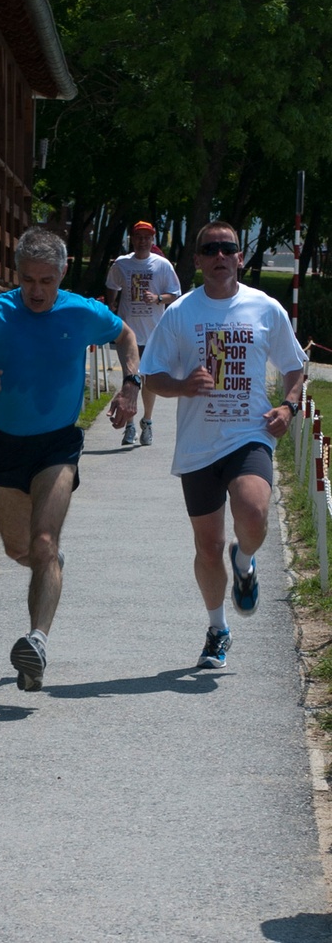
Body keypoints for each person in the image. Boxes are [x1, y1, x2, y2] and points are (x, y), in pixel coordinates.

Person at [0, 226, 141, 692]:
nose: (37, 291)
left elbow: (125, 334)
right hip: (6, 443)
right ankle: (50, 566)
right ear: (17, 274)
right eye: (28, 280)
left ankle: (37, 643)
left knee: (43, 541)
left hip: (58, 445)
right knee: (18, 549)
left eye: (47, 281)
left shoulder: (82, 312)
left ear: (62, 274)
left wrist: (131, 383)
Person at [141, 221, 306, 670]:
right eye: (209, 249)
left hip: (248, 434)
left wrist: (288, 407)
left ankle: (247, 559)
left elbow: (295, 367)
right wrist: (181, 386)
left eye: (227, 249)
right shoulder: (180, 313)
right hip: (198, 445)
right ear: (196, 260)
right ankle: (217, 629)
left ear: (238, 257)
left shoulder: (264, 308)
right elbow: (149, 373)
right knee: (208, 547)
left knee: (253, 514)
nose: (219, 256)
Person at [106, 220, 182, 447]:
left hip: (153, 334)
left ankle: (147, 421)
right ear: (132, 238)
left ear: (153, 239)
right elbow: (112, 285)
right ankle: (129, 427)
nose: (142, 241)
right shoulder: (122, 264)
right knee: (130, 378)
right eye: (138, 237)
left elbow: (175, 294)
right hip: (128, 334)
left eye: (146, 237)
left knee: (149, 381)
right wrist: (111, 307)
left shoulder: (162, 265)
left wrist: (158, 298)